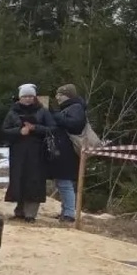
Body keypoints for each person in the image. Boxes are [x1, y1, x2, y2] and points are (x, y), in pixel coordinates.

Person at [1, 83, 57, 221]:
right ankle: (19, 211)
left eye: (30, 96)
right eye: (25, 96)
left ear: (34, 97)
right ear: (20, 98)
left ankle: (30, 214)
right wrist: (19, 131)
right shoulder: (13, 111)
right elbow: (4, 130)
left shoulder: (42, 111)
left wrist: (35, 128)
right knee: (19, 179)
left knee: (34, 181)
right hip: (18, 151)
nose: (27, 99)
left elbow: (53, 128)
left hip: (37, 151)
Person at [48, 83, 89, 224]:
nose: (57, 97)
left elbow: (75, 125)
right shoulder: (70, 108)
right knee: (62, 182)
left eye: (60, 94)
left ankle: (69, 214)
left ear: (68, 95)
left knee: (65, 182)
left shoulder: (76, 108)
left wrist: (56, 116)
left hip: (69, 151)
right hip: (65, 150)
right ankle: (66, 211)